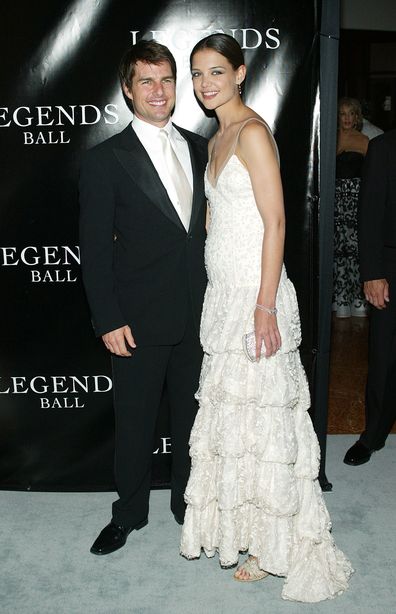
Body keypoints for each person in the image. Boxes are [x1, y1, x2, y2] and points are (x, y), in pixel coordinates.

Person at [180, 33, 353, 602]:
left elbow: (276, 223)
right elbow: (223, 216)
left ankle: (273, 543)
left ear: (241, 72)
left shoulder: (253, 133)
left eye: (216, 72)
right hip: (224, 294)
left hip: (257, 296)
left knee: (266, 424)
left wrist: (263, 304)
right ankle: (244, 527)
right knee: (237, 420)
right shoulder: (216, 137)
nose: (207, 84)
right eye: (199, 74)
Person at [79, 39, 208, 555]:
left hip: (200, 315)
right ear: (129, 91)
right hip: (135, 320)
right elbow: (93, 250)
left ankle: (188, 505)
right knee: (133, 426)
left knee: (193, 422)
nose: (159, 91)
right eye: (147, 81)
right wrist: (107, 318)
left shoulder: (202, 147)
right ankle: (128, 513)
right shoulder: (106, 161)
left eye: (167, 79)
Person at [344, 129, 396, 466]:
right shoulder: (384, 147)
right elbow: (370, 212)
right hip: (391, 268)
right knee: (385, 357)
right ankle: (373, 434)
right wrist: (372, 273)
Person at [333, 97, 369, 318]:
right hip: (334, 201)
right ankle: (339, 298)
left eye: (351, 114)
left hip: (356, 201)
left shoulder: (365, 140)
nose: (347, 118)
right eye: (342, 114)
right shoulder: (330, 138)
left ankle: (358, 299)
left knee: (355, 251)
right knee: (337, 251)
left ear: (357, 117)